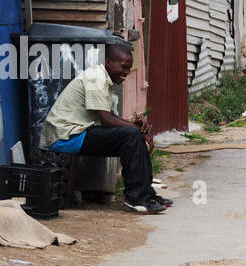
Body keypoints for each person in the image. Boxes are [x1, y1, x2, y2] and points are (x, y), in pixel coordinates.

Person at [39, 40, 173, 214]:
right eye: (123, 67)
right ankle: (136, 199)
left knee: (132, 134)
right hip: (65, 137)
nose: (126, 73)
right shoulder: (96, 78)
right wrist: (135, 129)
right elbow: (107, 120)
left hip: (77, 132)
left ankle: (146, 194)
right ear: (109, 63)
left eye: (129, 69)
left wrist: (136, 127)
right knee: (131, 135)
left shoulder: (103, 78)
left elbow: (109, 117)